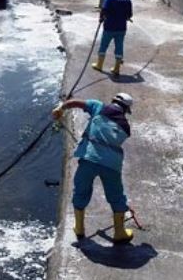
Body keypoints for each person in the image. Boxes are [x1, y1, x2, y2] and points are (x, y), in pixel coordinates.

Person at [52, 92, 135, 244]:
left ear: (113, 100)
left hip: (89, 159)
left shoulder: (98, 107)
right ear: (125, 109)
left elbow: (75, 103)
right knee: (116, 196)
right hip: (112, 164)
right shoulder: (125, 126)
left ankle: (79, 228)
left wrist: (61, 108)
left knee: (81, 191)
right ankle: (119, 232)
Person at [94, 0, 133, 76]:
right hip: (121, 28)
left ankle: (99, 65)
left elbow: (104, 10)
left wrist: (100, 18)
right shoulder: (127, 0)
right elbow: (130, 14)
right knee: (119, 46)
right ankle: (116, 68)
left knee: (104, 45)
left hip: (109, 27)